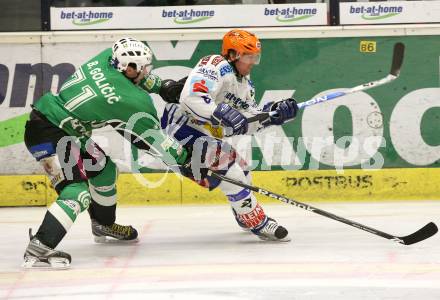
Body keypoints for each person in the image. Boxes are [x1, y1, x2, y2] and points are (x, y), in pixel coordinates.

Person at [22, 37, 189, 269]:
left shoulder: (107, 57)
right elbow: (155, 141)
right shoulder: (132, 101)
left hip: (60, 128)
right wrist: (185, 157)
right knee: (77, 192)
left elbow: (131, 76)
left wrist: (161, 86)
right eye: (144, 68)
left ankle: (103, 224)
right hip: (53, 134)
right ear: (130, 67)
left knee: (104, 169)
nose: (146, 71)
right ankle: (41, 245)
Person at [159, 29, 298, 241]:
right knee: (232, 175)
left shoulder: (245, 85)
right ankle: (258, 223)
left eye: (255, 57)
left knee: (243, 172)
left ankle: (243, 215)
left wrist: (274, 115)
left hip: (202, 135)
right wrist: (220, 112)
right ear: (232, 54)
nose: (253, 62)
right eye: (248, 56)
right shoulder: (214, 64)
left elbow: (247, 122)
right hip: (179, 130)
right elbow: (191, 98)